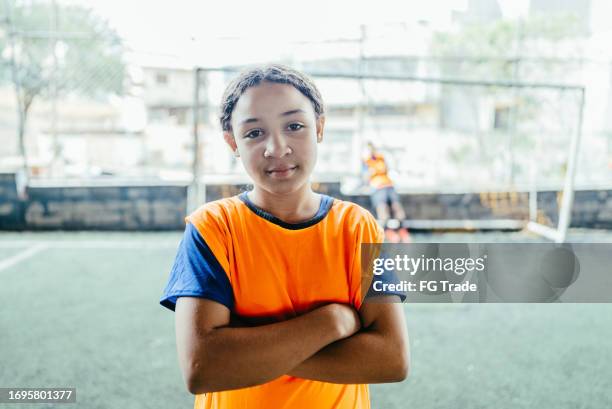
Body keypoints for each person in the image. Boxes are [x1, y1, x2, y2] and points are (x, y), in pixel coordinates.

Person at [160, 64, 410, 409]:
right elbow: (203, 368)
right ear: (232, 142)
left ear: (319, 128)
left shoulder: (358, 227)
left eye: (294, 126)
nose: (277, 148)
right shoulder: (213, 227)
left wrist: (246, 355)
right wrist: (330, 322)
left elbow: (391, 359)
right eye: (253, 133)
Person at [362, 141, 411, 243]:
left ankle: (403, 231)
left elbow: (387, 169)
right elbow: (365, 177)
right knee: (382, 208)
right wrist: (369, 173)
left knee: (397, 207)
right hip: (377, 187)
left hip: (388, 185)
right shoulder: (365, 161)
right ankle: (388, 232)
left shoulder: (381, 158)